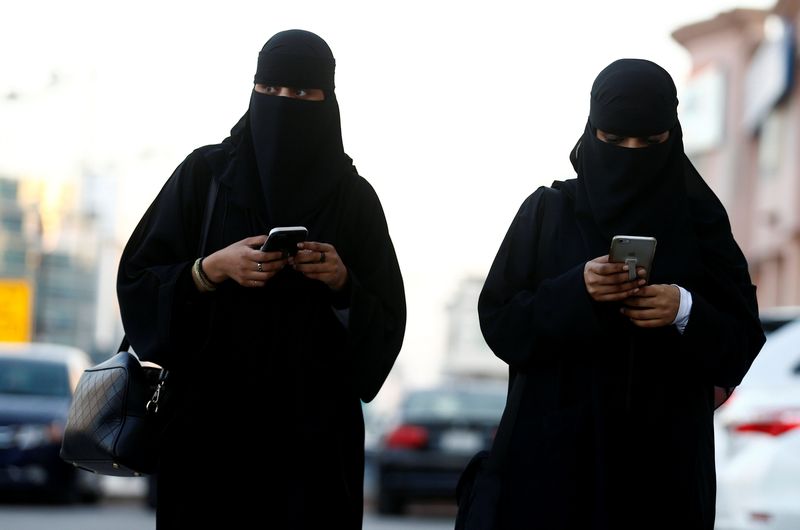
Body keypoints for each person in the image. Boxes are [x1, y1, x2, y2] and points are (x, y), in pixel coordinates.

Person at [117, 29, 406, 529]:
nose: (283, 104)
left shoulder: (353, 198)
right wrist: (209, 270)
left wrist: (342, 282)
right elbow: (138, 280)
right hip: (208, 440)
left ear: (327, 100)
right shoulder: (206, 176)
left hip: (313, 450)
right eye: (270, 91)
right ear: (252, 89)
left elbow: (387, 324)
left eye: (300, 94)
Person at [477, 59, 765, 530]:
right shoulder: (548, 213)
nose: (631, 154)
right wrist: (577, 290)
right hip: (553, 470)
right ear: (592, 132)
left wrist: (685, 309)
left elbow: (741, 343)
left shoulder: (701, 223)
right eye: (614, 141)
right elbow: (501, 324)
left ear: (672, 136)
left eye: (649, 142)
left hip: (662, 478)